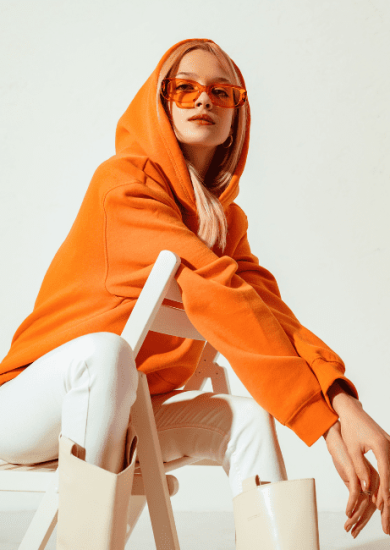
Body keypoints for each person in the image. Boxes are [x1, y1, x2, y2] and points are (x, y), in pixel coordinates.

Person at [0, 37, 389, 548]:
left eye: (221, 92)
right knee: (103, 352)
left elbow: (270, 318)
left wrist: (342, 403)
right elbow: (219, 295)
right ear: (160, 103)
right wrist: (319, 421)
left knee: (245, 419)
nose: (204, 99)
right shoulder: (123, 187)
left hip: (128, 419)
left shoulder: (225, 224)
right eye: (184, 89)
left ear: (237, 115)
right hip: (29, 409)